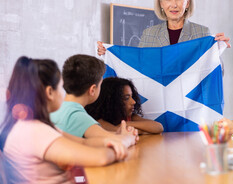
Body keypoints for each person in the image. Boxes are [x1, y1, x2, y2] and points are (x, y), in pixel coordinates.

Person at [0, 57, 134, 183]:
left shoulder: (31, 126)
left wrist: (111, 140)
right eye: (60, 87)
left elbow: (84, 143)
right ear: (50, 92)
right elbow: (101, 157)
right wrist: (126, 140)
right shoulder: (34, 132)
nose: (63, 93)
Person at [97, 0, 230, 53]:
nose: (173, 5)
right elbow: (138, 67)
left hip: (189, 101)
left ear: (187, 3)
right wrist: (109, 54)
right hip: (158, 101)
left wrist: (216, 52)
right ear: (161, 3)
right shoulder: (148, 34)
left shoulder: (202, 33)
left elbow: (213, 73)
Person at [50, 54, 138, 142]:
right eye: (100, 85)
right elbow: (115, 141)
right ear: (92, 90)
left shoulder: (54, 109)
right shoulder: (78, 117)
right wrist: (129, 136)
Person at [85, 77, 164, 134]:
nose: (133, 102)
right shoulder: (98, 121)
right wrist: (143, 131)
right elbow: (120, 132)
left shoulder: (129, 117)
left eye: (132, 96)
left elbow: (158, 127)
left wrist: (127, 124)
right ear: (111, 101)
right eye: (126, 98)